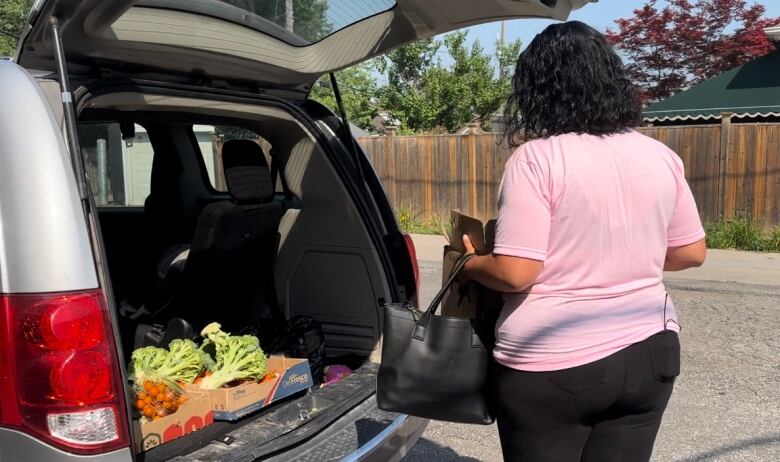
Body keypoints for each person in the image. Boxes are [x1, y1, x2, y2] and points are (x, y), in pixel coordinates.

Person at [460, 21, 706, 462]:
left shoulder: (537, 159)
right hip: (651, 349)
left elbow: (516, 273)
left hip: (555, 359)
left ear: (537, 89)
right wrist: (629, 254)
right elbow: (691, 252)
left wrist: (471, 262)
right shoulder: (660, 155)